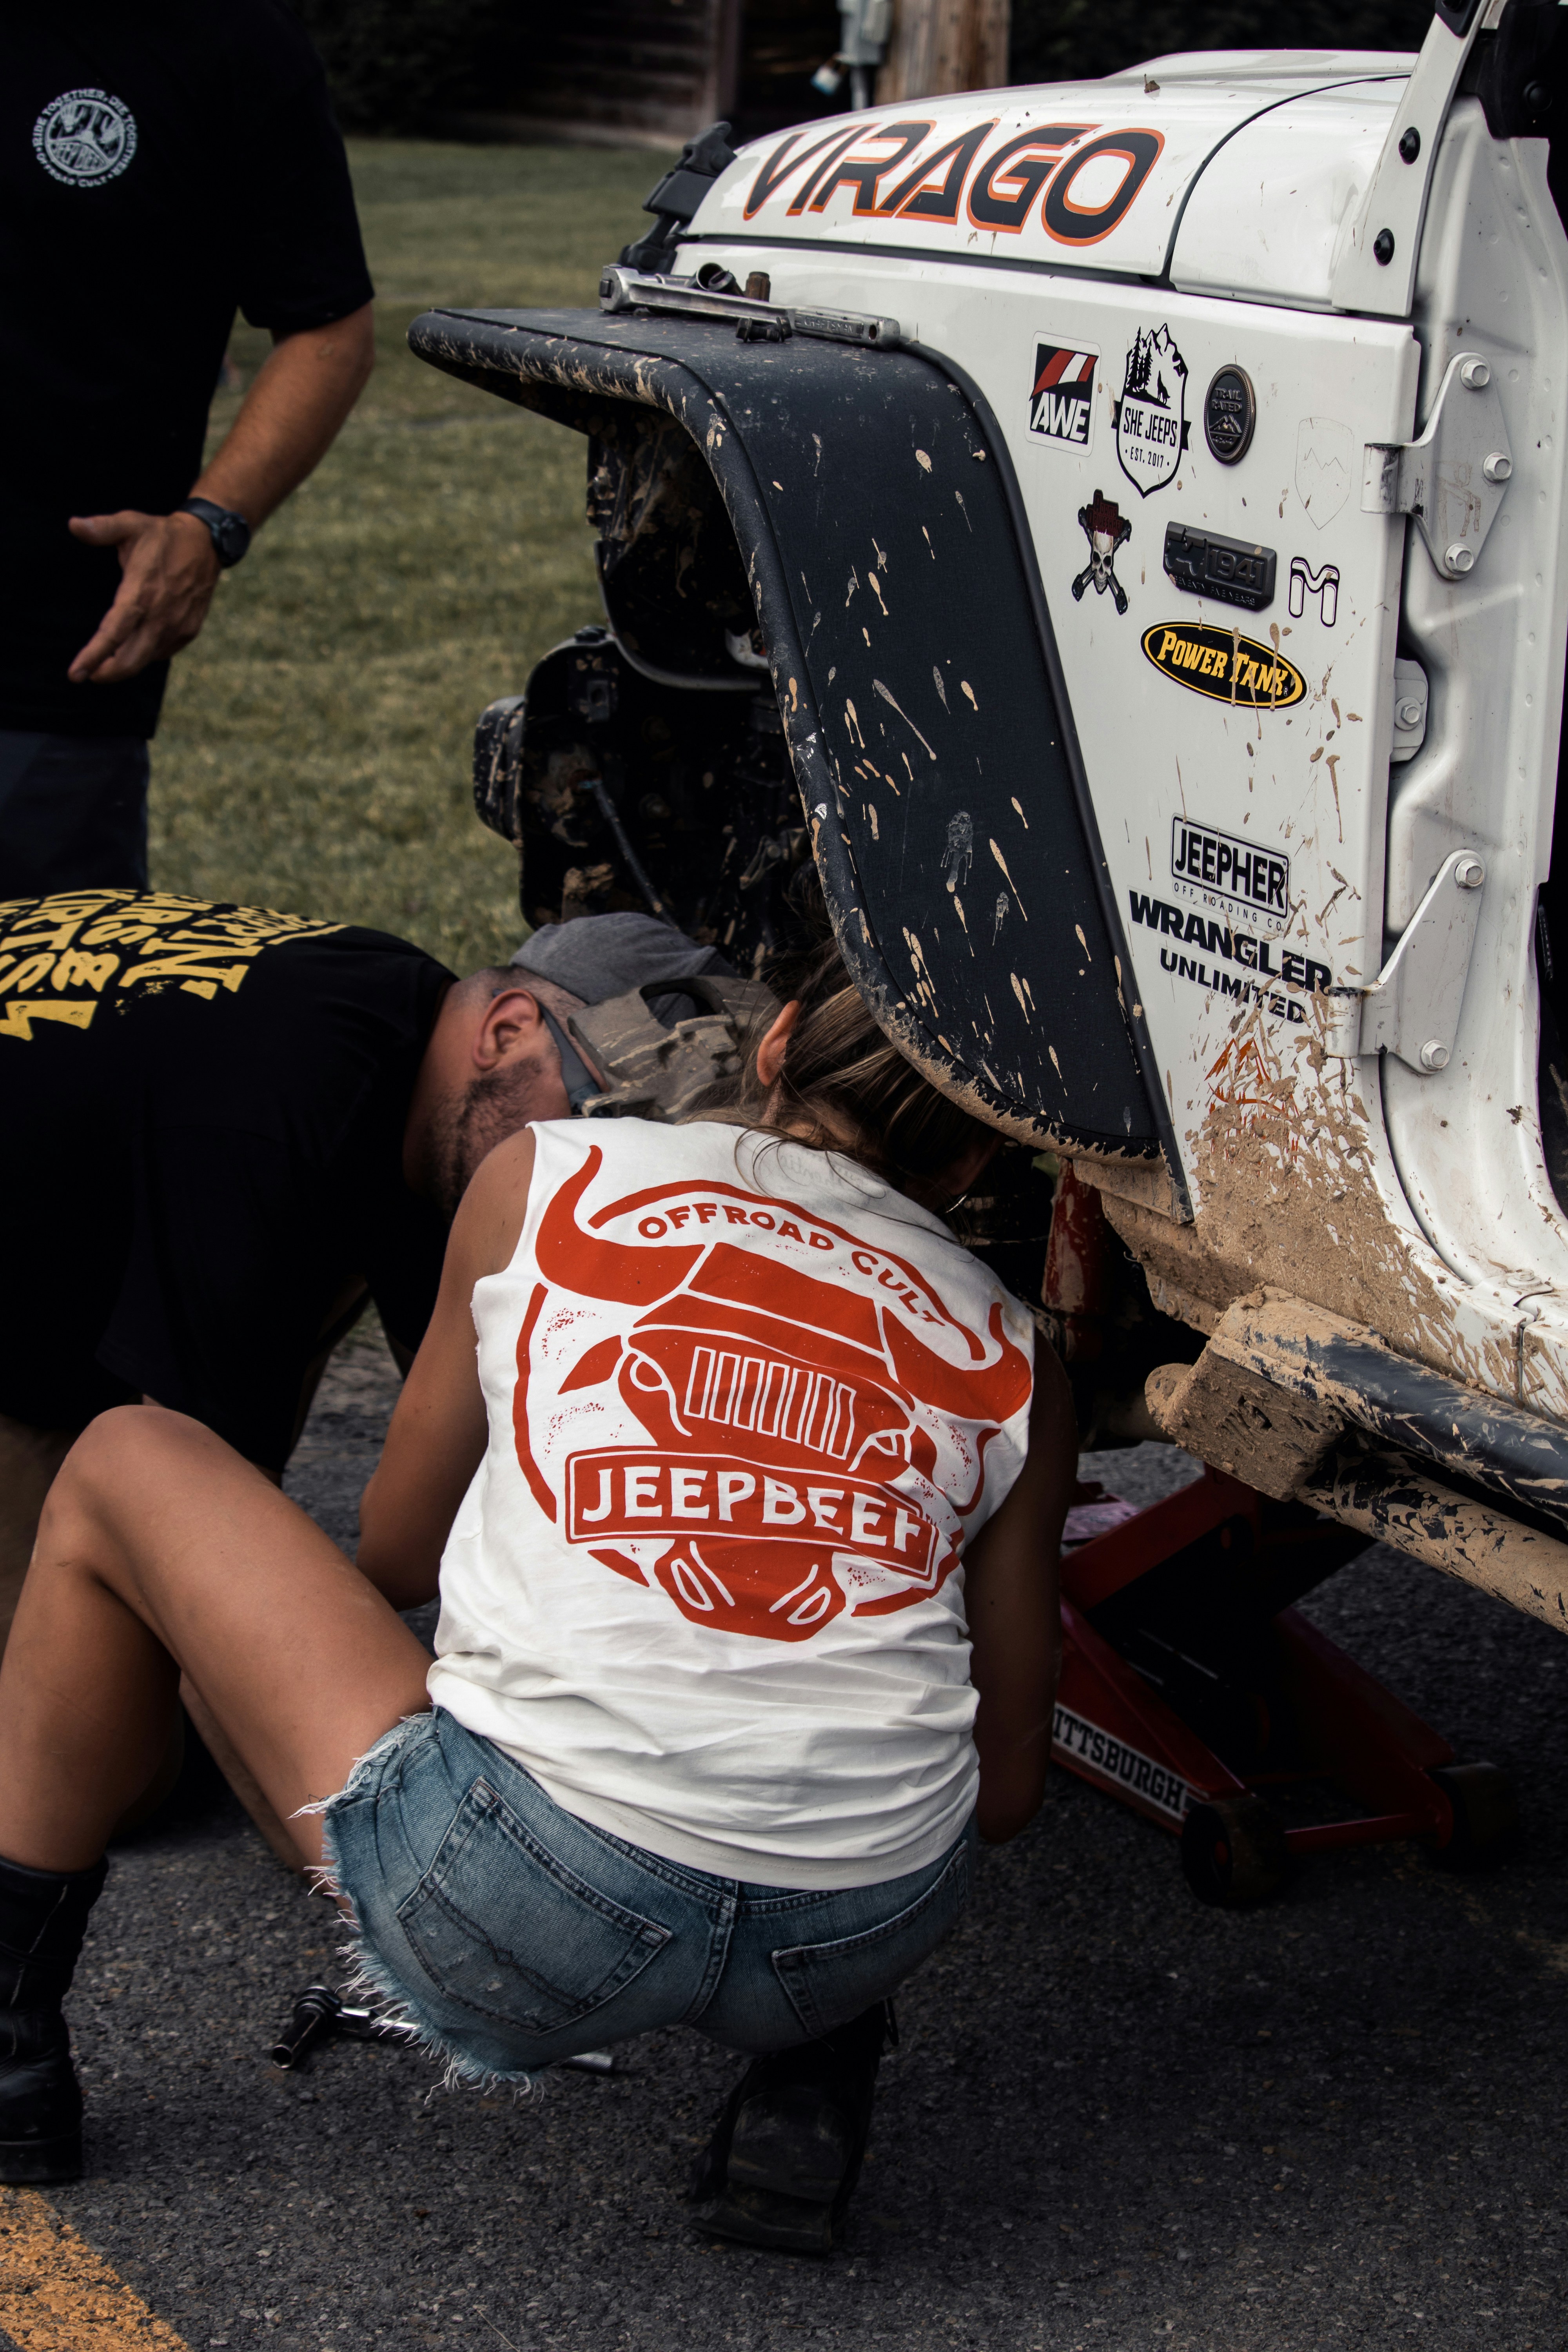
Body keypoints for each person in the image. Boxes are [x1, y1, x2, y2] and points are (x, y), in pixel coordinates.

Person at [0, 921, 1073, 2252]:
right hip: (850, 1941)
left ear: (778, 1043)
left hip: (523, 1915)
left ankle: (12, 2057)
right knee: (834, 1703)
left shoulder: (546, 1173)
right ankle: (805, 2094)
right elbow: (1005, 1795)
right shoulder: (1018, 1353)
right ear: (978, 1159)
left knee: (123, 1456)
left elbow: (397, 1552)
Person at [0, 887, 732, 1835]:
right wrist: (394, 1858)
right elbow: (201, 1558)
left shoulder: (412, 1044)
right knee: (117, 1776)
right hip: (75, 1235)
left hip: (72, 1179)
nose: (601, 1174)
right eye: (597, 1119)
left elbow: (465, 1472)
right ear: (507, 1029)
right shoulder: (273, 1116)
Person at [2, 6, 379, 896]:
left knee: (45, 975)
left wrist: (209, 525)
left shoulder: (230, 42)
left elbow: (329, 329)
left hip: (49, 656)